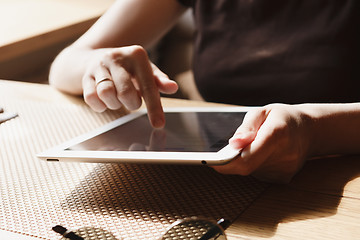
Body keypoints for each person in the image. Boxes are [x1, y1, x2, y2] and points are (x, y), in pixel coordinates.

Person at [49, 0, 360, 183]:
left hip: (335, 179)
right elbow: (64, 64)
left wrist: (315, 130)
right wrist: (97, 64)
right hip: (213, 179)